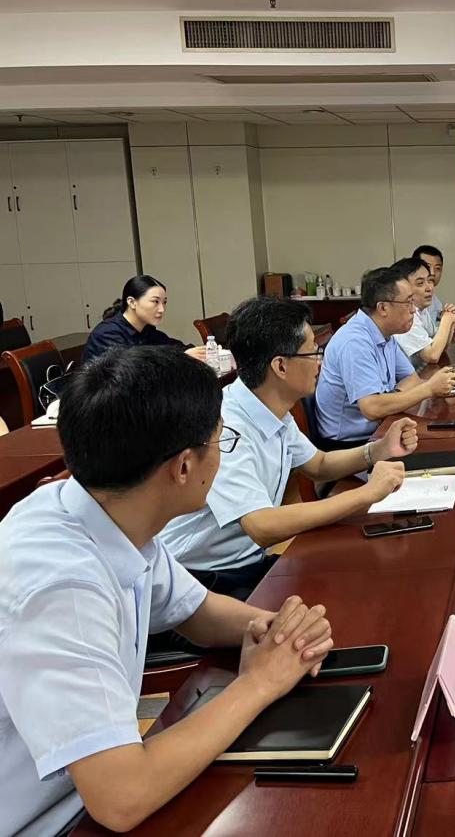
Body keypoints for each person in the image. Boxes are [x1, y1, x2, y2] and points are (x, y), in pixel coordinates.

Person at [0, 348, 333, 835]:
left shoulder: (104, 507)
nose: (221, 455)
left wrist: (275, 630)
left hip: (86, 792)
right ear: (182, 467)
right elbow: (122, 798)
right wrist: (260, 683)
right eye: (220, 441)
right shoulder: (63, 589)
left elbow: (195, 611)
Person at [160, 297, 417, 598]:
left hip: (246, 561)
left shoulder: (268, 405)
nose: (320, 361)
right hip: (202, 580)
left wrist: (378, 450)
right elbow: (262, 525)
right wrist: (367, 494)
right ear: (280, 366)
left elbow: (318, 464)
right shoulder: (227, 428)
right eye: (313, 351)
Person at [315, 265, 455, 444]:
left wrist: (389, 399)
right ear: (383, 308)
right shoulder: (355, 341)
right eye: (408, 303)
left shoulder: (385, 333)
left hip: (381, 428)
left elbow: (411, 379)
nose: (413, 310)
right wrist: (428, 389)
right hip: (350, 444)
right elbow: (372, 408)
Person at [82, 275, 208, 365]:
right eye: (155, 302)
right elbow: (134, 369)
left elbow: (170, 346)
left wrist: (191, 352)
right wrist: (182, 357)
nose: (162, 309)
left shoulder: (146, 329)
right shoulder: (106, 334)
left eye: (164, 302)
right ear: (132, 302)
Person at [392, 257, 455, 369]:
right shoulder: (404, 316)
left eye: (430, 281)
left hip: (422, 373)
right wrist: (446, 320)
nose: (429, 288)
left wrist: (451, 322)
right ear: (403, 287)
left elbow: (440, 348)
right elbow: (432, 356)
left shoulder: (422, 310)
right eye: (420, 283)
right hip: (412, 377)